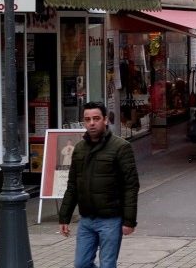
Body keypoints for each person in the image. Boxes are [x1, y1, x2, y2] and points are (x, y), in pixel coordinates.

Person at [59, 101, 139, 268]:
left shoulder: (121, 147)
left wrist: (129, 221)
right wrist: (64, 217)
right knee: (81, 264)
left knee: (107, 264)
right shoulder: (79, 148)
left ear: (105, 120)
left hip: (111, 220)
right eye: (87, 119)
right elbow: (73, 184)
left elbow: (131, 185)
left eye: (96, 118)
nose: (92, 123)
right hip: (87, 219)